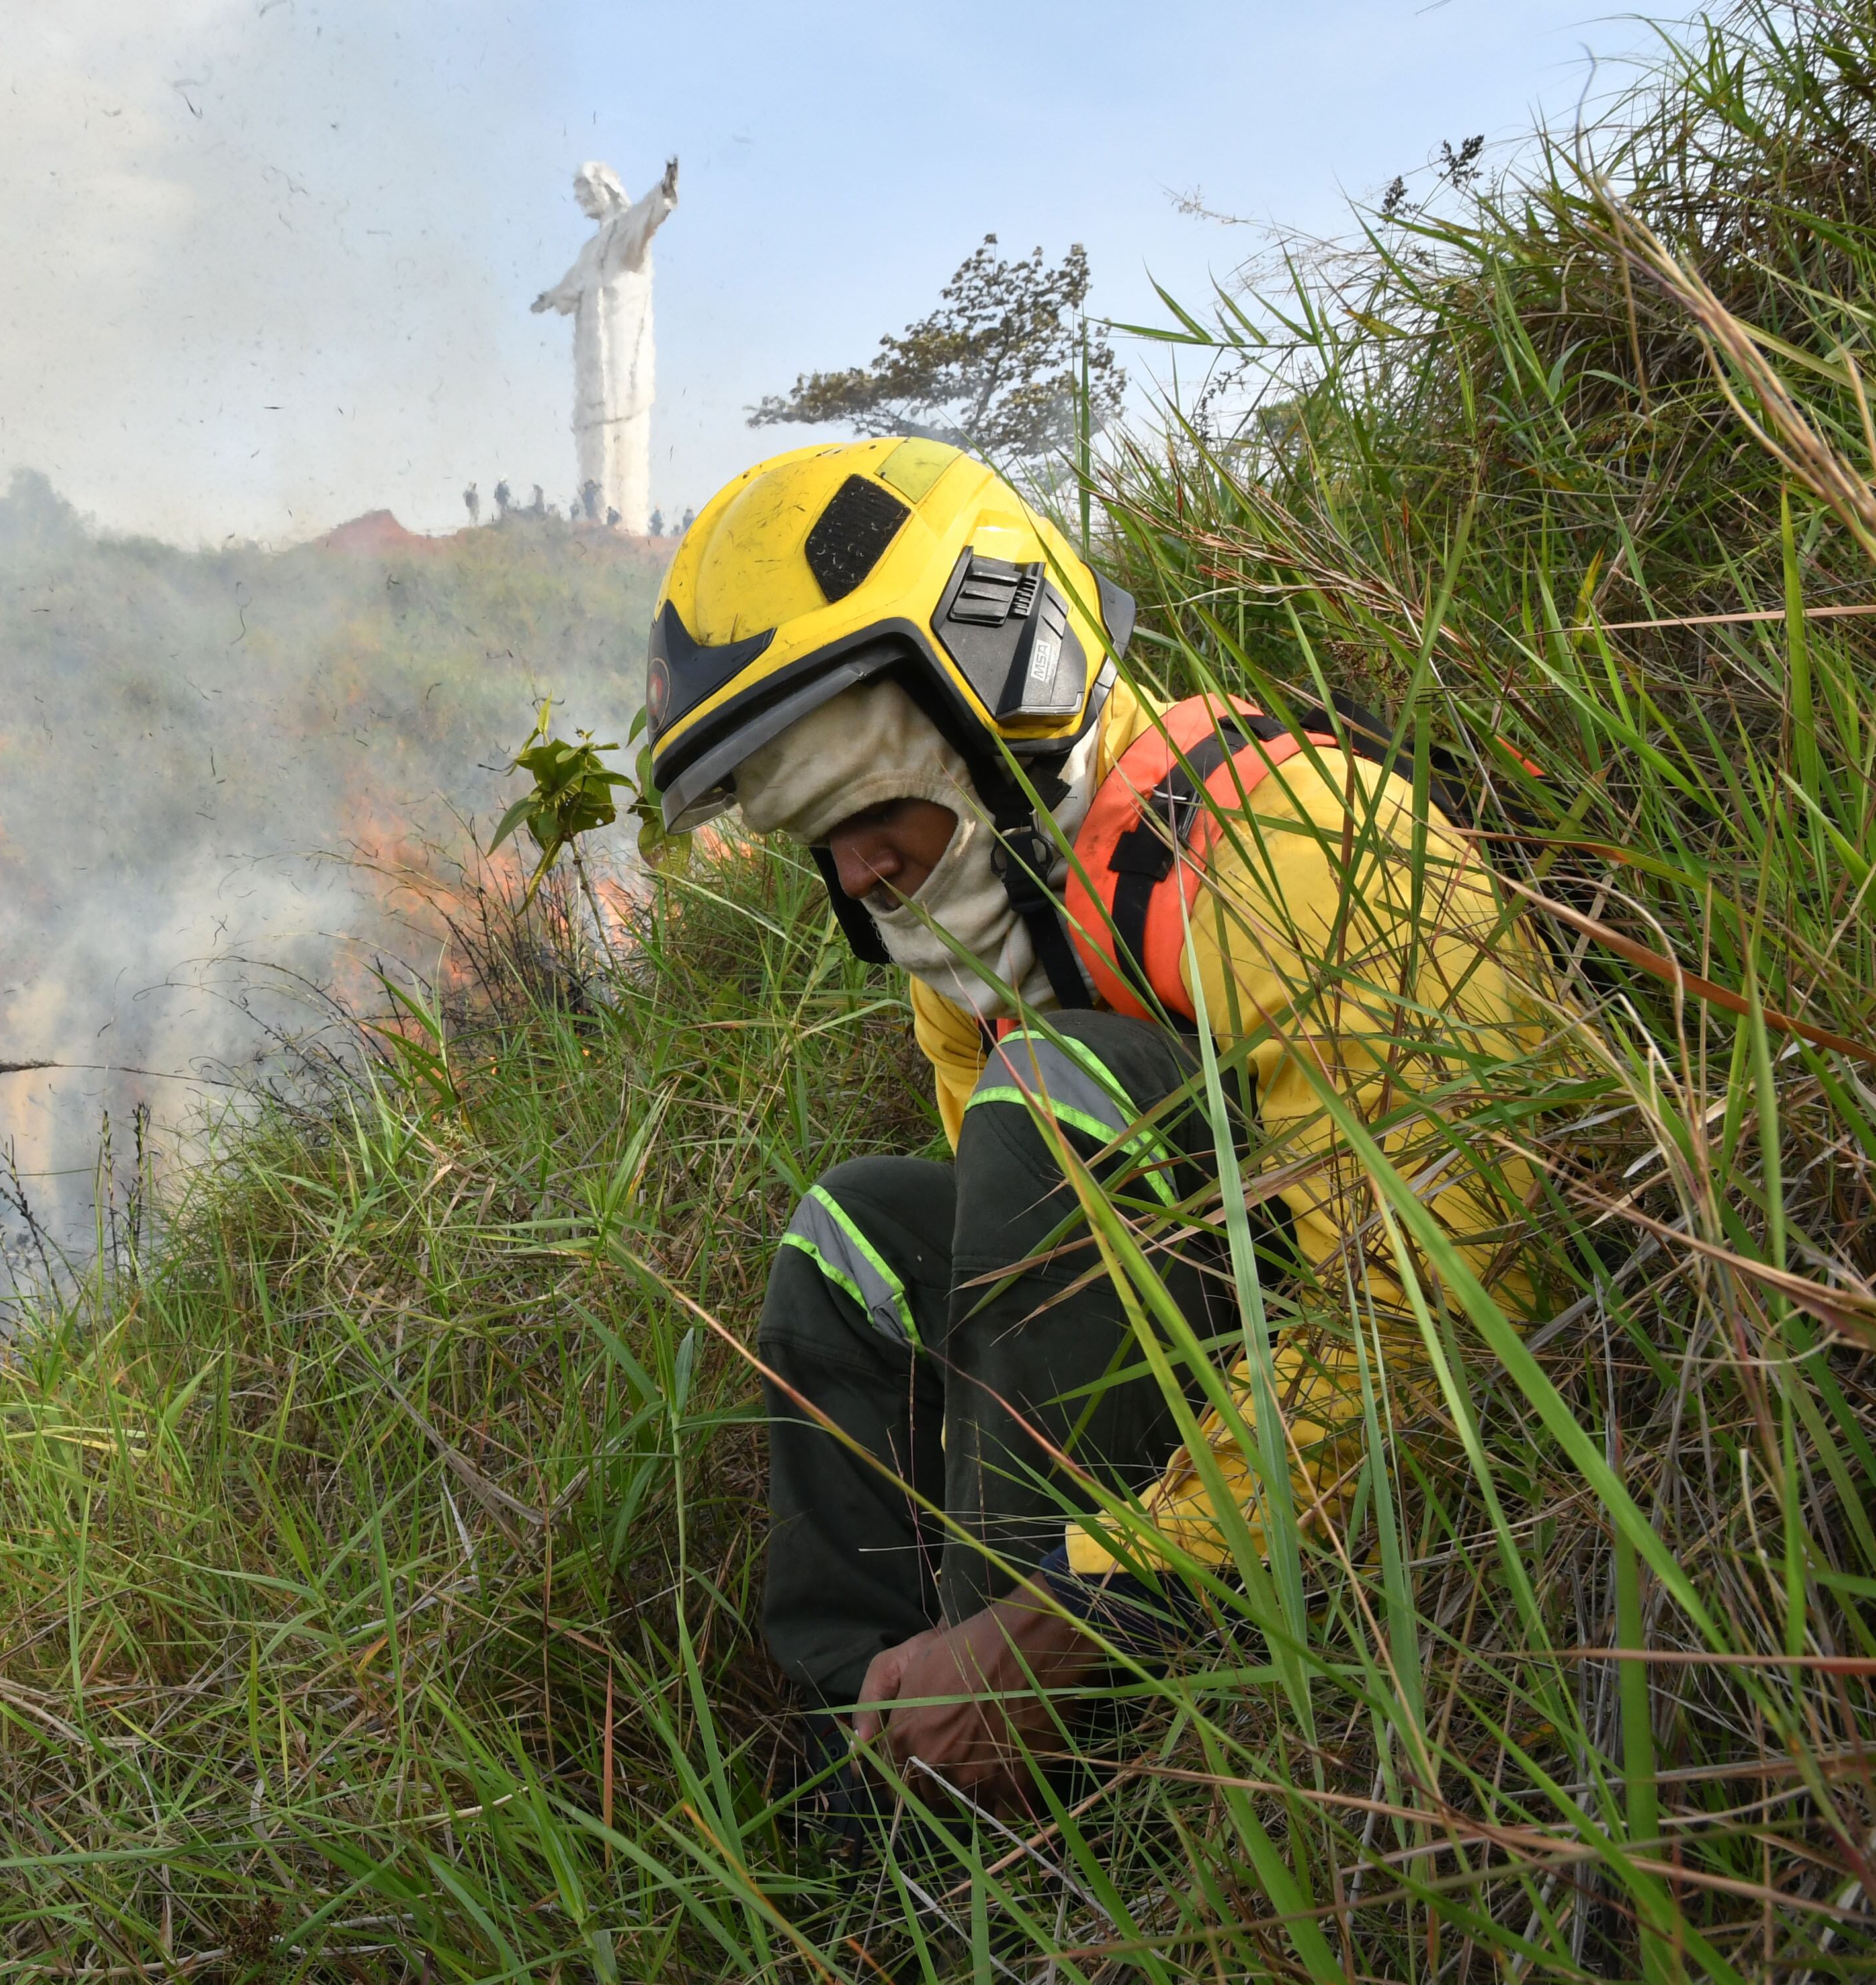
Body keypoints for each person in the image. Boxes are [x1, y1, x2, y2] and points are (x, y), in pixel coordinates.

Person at [642, 439, 1553, 1810]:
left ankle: (1030, 1757)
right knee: (858, 1241)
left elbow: (1455, 1286)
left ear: (1005, 684)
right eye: (814, 837)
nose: (857, 870)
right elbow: (1017, 1327)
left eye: (868, 810)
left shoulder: (1296, 848)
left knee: (1055, 1100)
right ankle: (885, 1770)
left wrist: (1085, 1609)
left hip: (1362, 1427)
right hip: (1218, 1393)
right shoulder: (976, 949)